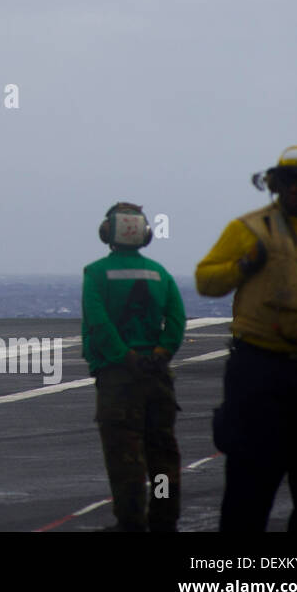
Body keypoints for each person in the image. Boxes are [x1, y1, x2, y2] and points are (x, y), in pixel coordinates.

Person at [196, 145, 297, 531]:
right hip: (259, 368)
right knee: (249, 479)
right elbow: (207, 280)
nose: (293, 189)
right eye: (286, 181)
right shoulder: (249, 230)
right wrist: (243, 265)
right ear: (275, 183)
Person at [82, 202, 185, 532]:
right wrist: (161, 353)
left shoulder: (96, 273)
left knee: (125, 460)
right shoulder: (160, 273)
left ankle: (131, 523)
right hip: (157, 377)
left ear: (106, 233)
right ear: (145, 235)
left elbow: (99, 324)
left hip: (119, 379)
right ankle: (164, 521)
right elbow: (177, 320)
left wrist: (126, 357)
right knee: (163, 457)